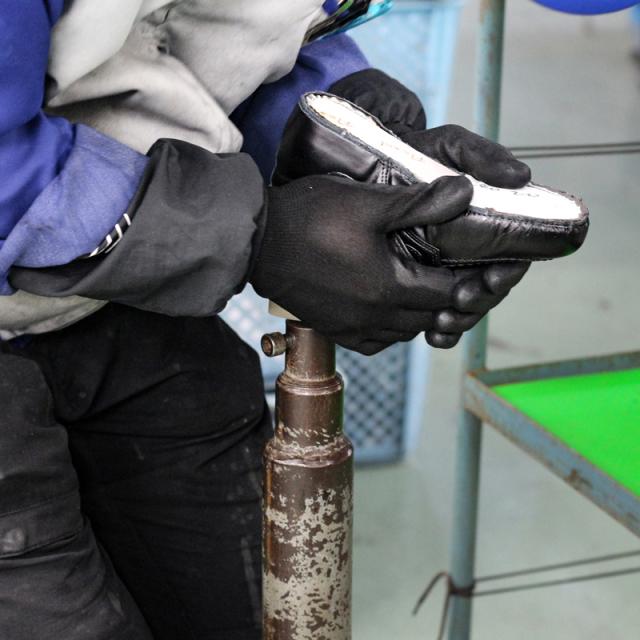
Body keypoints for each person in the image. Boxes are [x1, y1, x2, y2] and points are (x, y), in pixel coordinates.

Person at [0, 2, 531, 638]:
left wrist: (340, 133)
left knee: (243, 605)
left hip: (109, 296)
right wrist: (258, 238)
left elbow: (192, 20)